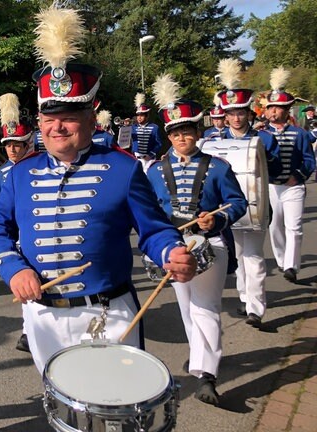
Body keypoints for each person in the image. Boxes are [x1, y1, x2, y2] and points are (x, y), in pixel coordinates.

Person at [0, 6, 196, 377]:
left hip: (108, 315)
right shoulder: (20, 174)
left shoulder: (123, 168)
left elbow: (155, 229)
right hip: (43, 317)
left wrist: (170, 250)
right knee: (64, 409)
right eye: (49, 118)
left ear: (89, 118)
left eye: (68, 117)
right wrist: (13, 269)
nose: (56, 127)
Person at [146, 73, 248, 406]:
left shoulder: (218, 167)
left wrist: (216, 217)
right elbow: (148, 210)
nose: (181, 138)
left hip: (210, 242)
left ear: (197, 132)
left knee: (205, 308)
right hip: (174, 247)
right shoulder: (156, 171)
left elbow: (238, 203)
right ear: (169, 136)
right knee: (187, 309)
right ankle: (200, 356)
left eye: (187, 131)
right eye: (175, 133)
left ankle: (206, 375)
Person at [211, 58, 282, 328]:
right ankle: (244, 297)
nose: (237, 117)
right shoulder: (214, 142)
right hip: (229, 210)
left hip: (256, 207)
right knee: (237, 256)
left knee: (252, 257)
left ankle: (256, 308)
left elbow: (272, 173)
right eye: (232, 113)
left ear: (249, 113)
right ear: (225, 115)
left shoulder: (264, 139)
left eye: (241, 112)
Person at [265, 67, 316, 283]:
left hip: (293, 186)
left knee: (293, 227)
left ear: (287, 110)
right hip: (271, 186)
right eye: (271, 108)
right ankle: (281, 259)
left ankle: (291, 266)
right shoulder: (260, 133)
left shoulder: (300, 133)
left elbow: (309, 160)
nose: (274, 111)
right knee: (274, 226)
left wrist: (298, 175)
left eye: (279, 107)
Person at [0, 93, 34, 353]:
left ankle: (31, 330)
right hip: (15, 235)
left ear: (27, 143)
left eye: (17, 144)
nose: (12, 149)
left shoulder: (36, 166)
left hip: (33, 232)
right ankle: (27, 330)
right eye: (8, 145)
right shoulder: (1, 172)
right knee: (24, 284)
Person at [131, 92, 164, 170]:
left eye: (142, 115)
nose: (139, 117)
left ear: (147, 116)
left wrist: (151, 154)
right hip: (135, 159)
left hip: (149, 159)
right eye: (138, 115)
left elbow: (158, 144)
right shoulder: (133, 127)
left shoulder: (154, 127)